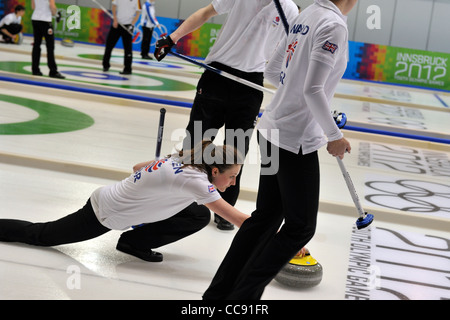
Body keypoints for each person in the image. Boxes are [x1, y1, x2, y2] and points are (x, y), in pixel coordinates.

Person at [203, 0, 356, 300]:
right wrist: (333, 135)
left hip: (271, 129)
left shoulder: (308, 13)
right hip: (294, 140)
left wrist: (298, 96)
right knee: (300, 227)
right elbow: (313, 90)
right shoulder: (333, 25)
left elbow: (274, 70)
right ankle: (242, 297)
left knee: (265, 218)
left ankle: (219, 295)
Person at [154, 0, 299, 231]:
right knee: (195, 143)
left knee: (237, 149)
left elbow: (292, 49)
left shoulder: (289, 10)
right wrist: (173, 37)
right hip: (217, 75)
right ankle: (179, 203)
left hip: (250, 83)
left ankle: (226, 210)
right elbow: (205, 12)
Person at [0, 141, 248, 262]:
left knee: (198, 215)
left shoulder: (182, 161)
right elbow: (238, 219)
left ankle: (134, 243)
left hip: (108, 197)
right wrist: (282, 236)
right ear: (214, 170)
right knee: (41, 235)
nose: (233, 183)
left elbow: (137, 167)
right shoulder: (195, 182)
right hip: (103, 214)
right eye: (232, 176)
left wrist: (161, 167)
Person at [102, 0, 141, 75]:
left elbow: (138, 13)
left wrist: (132, 24)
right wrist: (115, 20)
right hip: (117, 24)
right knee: (109, 46)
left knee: (128, 49)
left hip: (128, 26)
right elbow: (113, 6)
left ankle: (127, 69)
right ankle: (105, 65)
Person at [31, 0, 65, 78]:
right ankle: (53, 71)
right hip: (45, 21)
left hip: (35, 19)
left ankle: (35, 69)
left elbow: (33, 7)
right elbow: (52, 6)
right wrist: (56, 14)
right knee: (50, 46)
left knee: (36, 45)